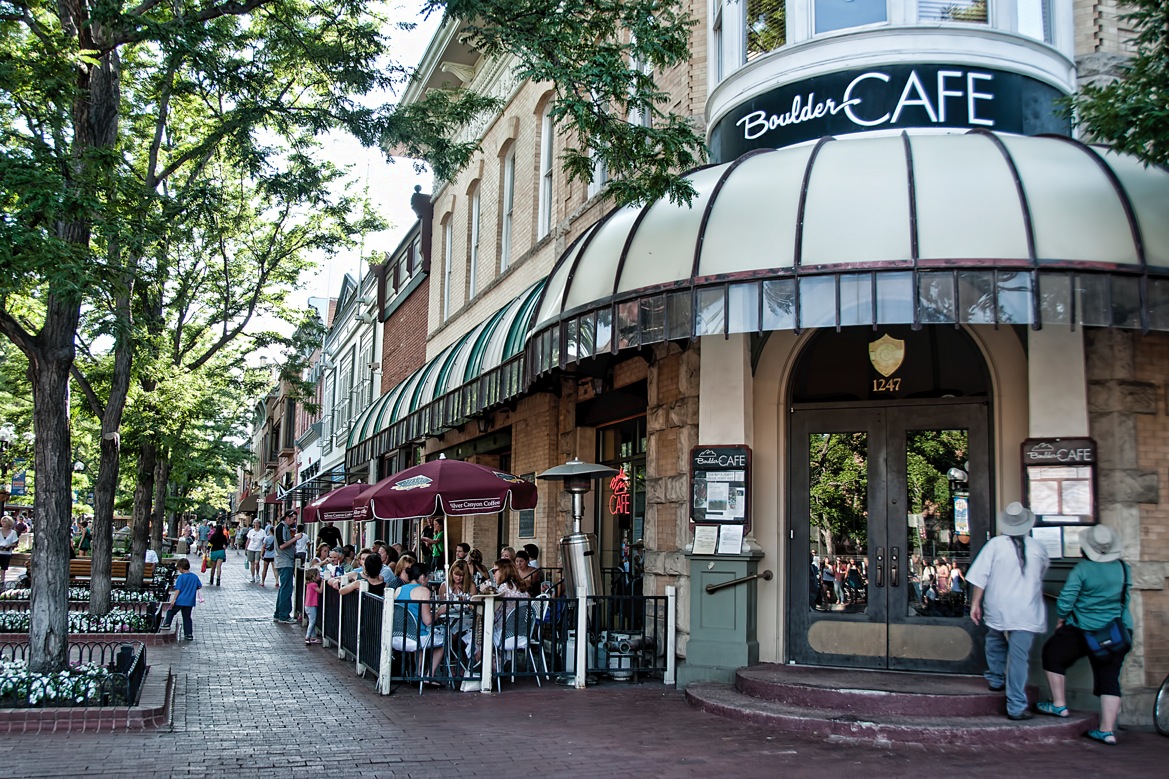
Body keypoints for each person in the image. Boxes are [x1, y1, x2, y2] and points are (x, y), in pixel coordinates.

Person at [1039, 525, 1132, 745]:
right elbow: (1125, 600)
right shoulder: (1124, 568)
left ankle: (1059, 704)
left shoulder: (1082, 569)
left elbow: (1065, 601)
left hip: (1083, 630)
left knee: (1052, 654)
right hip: (1118, 632)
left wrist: (1061, 618)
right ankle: (1107, 730)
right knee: (1110, 678)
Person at [965, 502, 1049, 721]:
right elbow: (1041, 573)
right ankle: (1016, 705)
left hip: (999, 605)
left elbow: (980, 577)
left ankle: (995, 677)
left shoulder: (995, 545)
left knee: (994, 638)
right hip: (1027, 609)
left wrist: (975, 603)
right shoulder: (1037, 548)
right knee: (1019, 658)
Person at [395, 562, 445, 682]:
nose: (428, 580)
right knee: (444, 639)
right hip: (415, 638)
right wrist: (439, 613)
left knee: (421, 637)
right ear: (422, 577)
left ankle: (418, 672)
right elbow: (427, 620)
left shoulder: (398, 590)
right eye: (427, 577)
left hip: (397, 636)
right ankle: (429, 675)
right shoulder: (423, 591)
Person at [162, 557, 202, 641]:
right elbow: (199, 586)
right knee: (187, 617)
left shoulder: (181, 578)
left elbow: (178, 590)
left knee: (171, 611)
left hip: (180, 600)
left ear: (181, 568)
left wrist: (173, 600)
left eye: (179, 568)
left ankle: (167, 623)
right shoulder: (194, 577)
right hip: (189, 602)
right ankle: (188, 634)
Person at [273, 510, 301, 623]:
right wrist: (295, 539)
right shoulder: (281, 527)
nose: (294, 521)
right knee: (286, 588)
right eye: (293, 519)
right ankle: (284, 615)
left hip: (285, 561)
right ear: (287, 518)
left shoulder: (285, 528)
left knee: (283, 588)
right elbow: (282, 545)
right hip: (284, 561)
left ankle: (279, 613)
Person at [304, 567, 322, 645]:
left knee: (311, 621)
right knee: (312, 621)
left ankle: (313, 637)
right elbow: (320, 591)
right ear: (314, 576)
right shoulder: (314, 584)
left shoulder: (308, 584)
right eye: (318, 574)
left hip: (307, 605)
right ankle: (307, 637)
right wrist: (322, 583)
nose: (319, 576)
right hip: (312, 605)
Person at [0, 516, 19, 589]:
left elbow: (15, 543)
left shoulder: (13, 532)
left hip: (6, 552)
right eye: (3, 521)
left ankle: (2, 582)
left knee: (3, 568)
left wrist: (9, 545)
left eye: (5, 521)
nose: (3, 523)